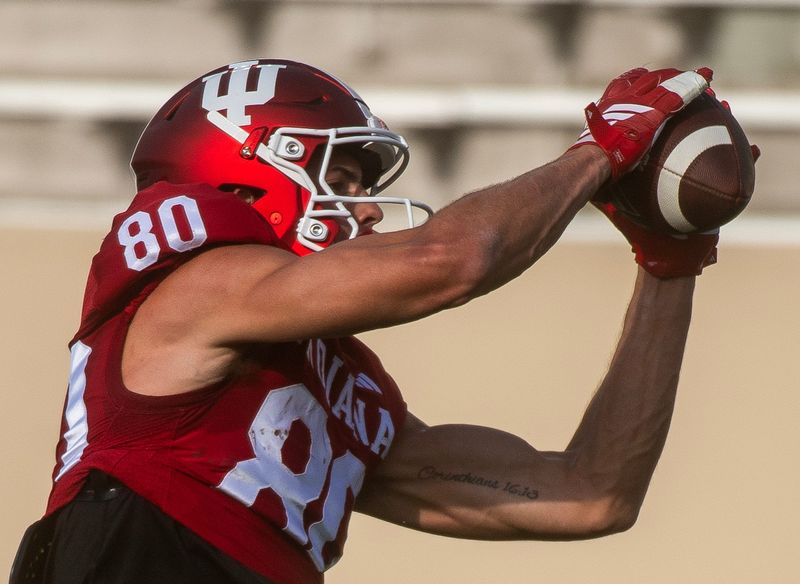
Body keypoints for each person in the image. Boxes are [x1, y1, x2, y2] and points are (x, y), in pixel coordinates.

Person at [12, 60, 719, 584]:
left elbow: (591, 495)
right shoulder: (195, 286)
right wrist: (602, 151)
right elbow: (453, 260)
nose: (369, 210)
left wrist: (670, 261)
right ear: (251, 165)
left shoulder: (319, 381)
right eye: (343, 180)